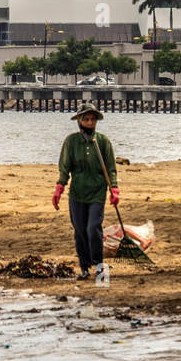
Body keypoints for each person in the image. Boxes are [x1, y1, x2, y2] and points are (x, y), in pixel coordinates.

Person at [52, 104, 119, 281]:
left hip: (97, 192)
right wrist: (60, 187)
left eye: (92, 119)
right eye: (86, 119)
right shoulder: (71, 142)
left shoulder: (103, 142)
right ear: (80, 121)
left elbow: (111, 168)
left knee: (93, 229)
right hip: (77, 193)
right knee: (80, 231)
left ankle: (99, 266)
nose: (90, 123)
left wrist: (114, 189)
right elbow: (65, 167)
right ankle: (84, 267)